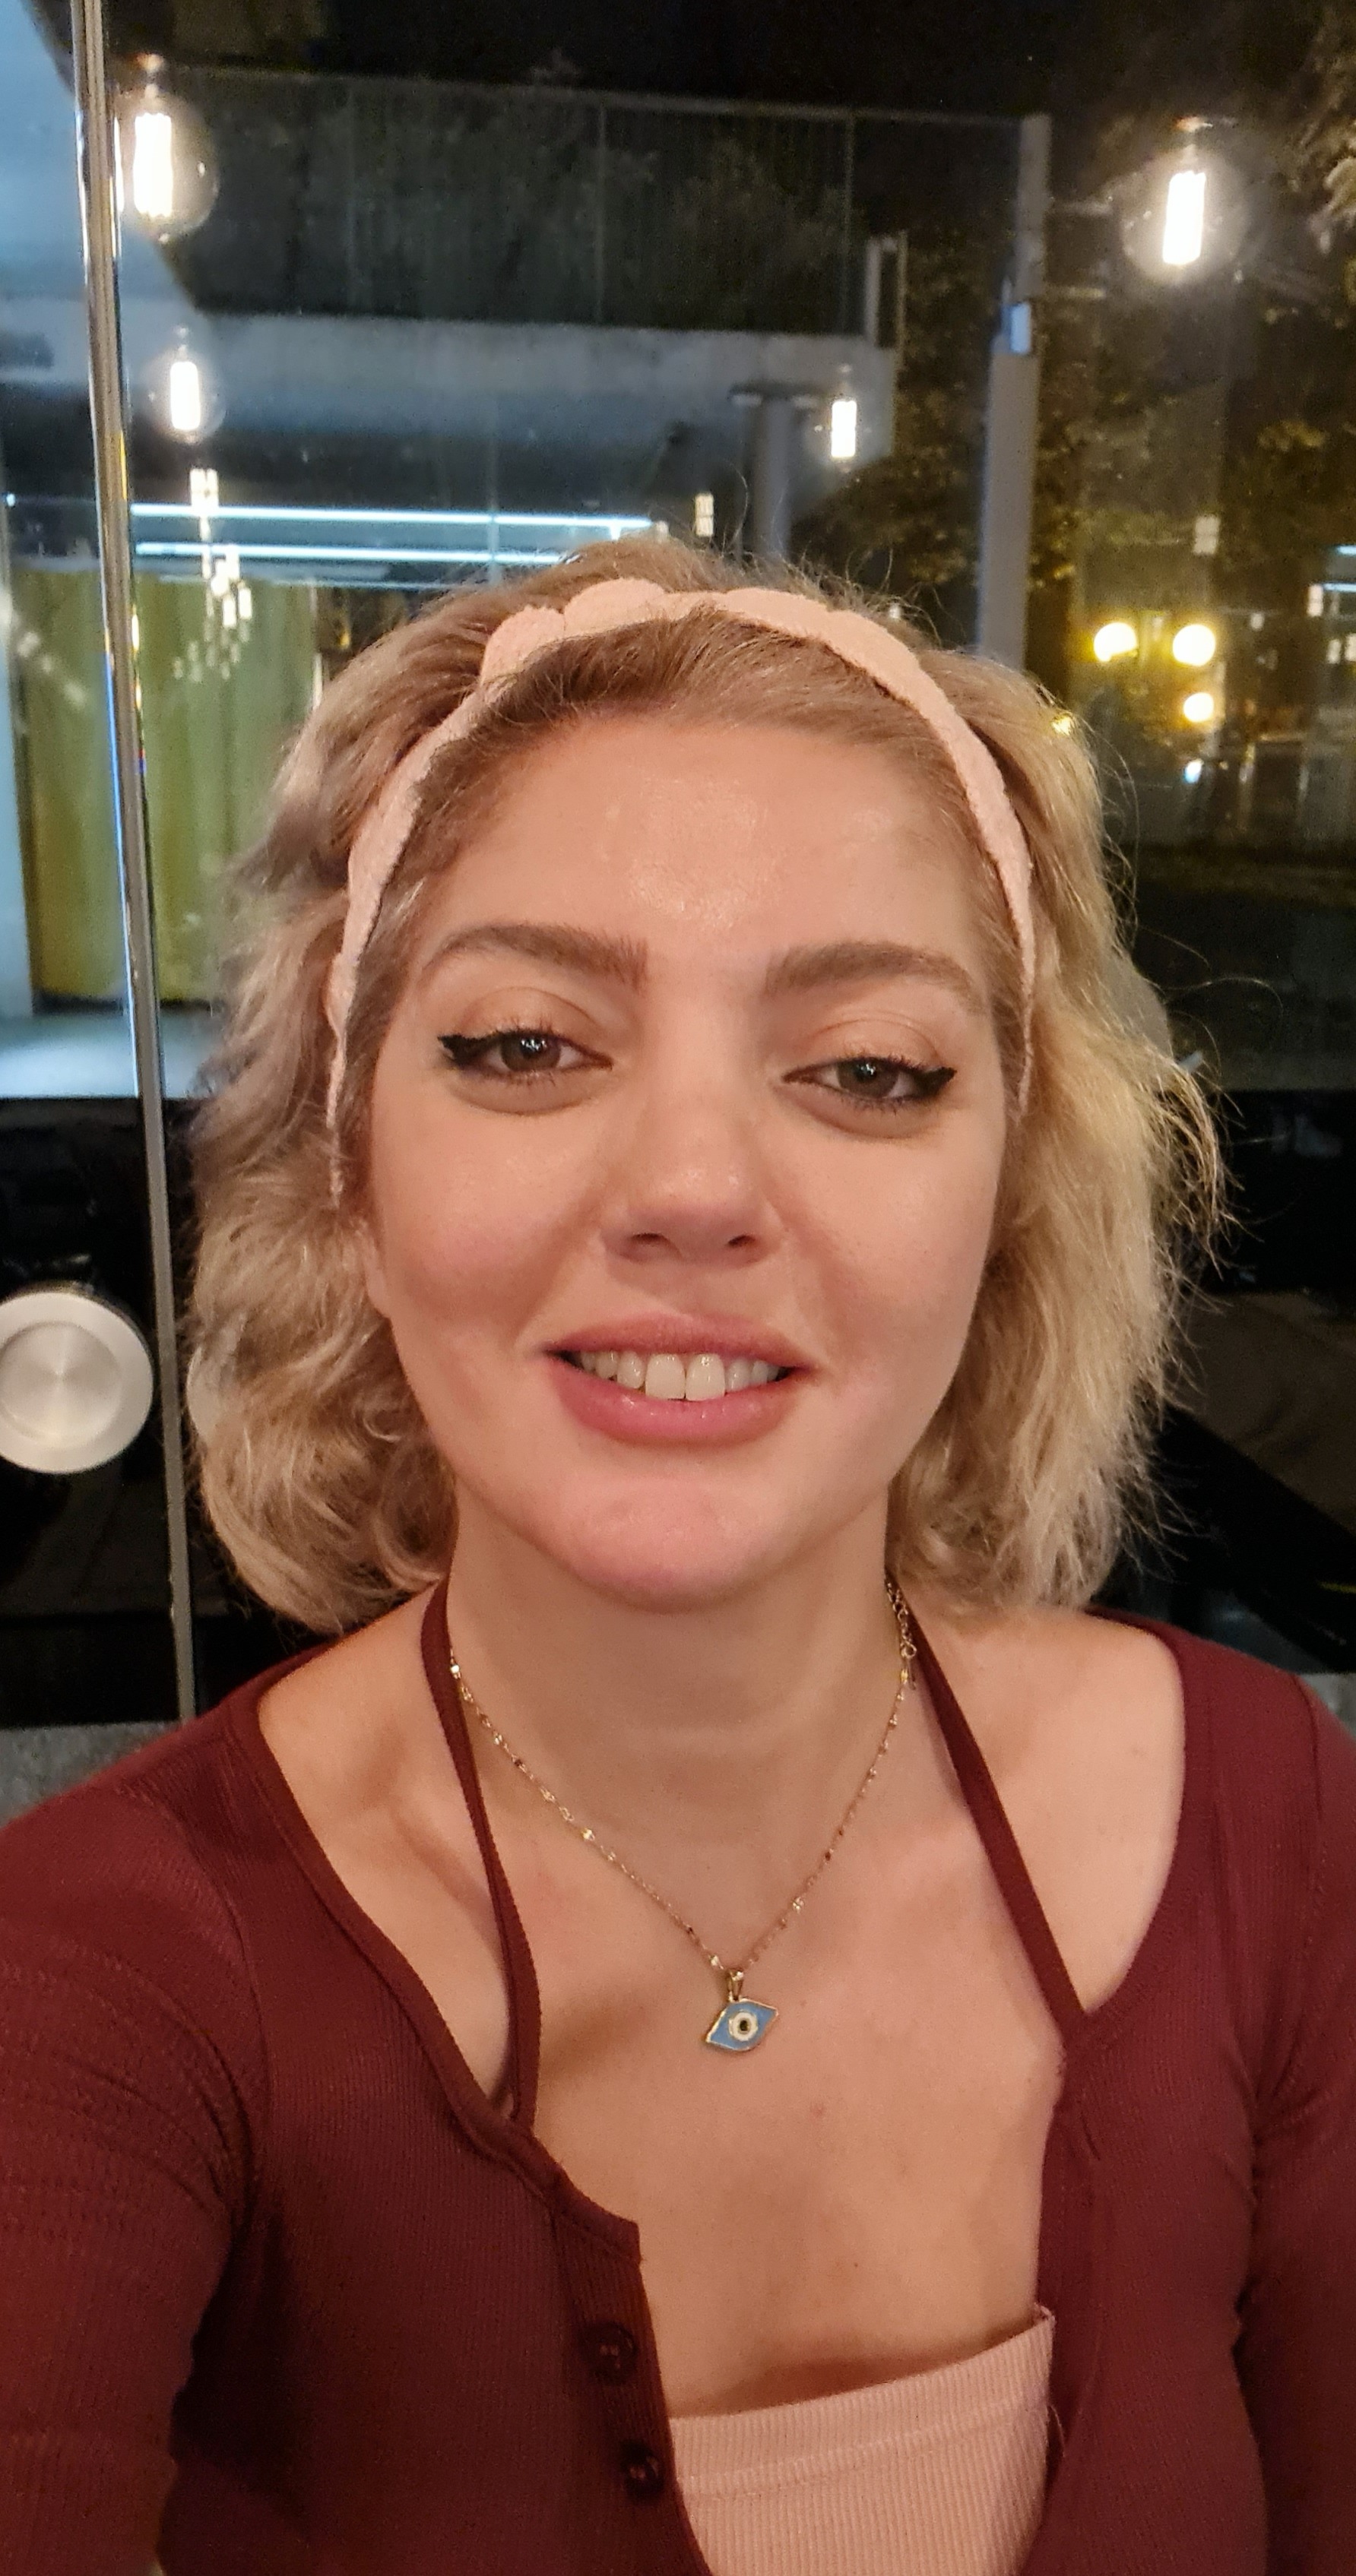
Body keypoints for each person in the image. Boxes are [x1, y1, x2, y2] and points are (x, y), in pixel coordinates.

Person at [2, 541, 1353, 2576]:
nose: (695, 1186)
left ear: (1006, 1198)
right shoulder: (99, 1975)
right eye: (526, 1046)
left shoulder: (1267, 1824)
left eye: (870, 1069)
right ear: (350, 1172)